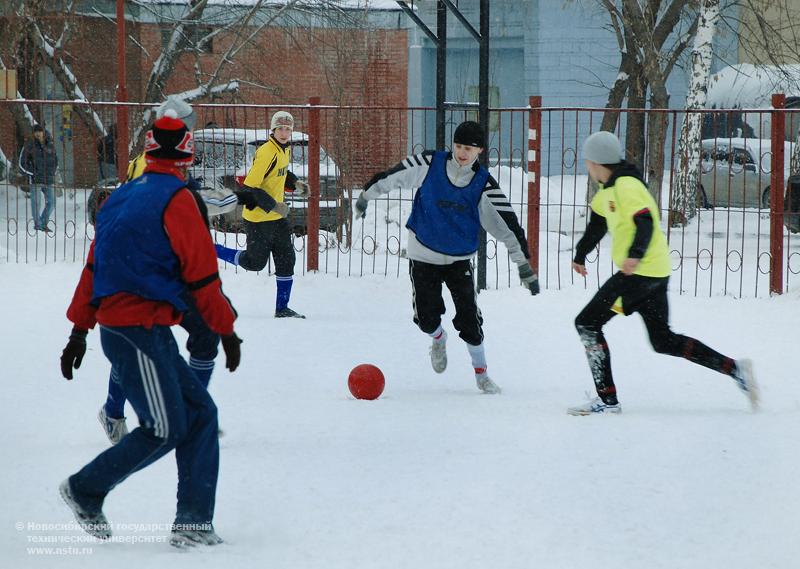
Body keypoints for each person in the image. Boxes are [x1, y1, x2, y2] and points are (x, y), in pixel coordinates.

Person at [58, 113, 242, 547]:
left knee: (200, 416)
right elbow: (202, 276)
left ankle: (193, 524)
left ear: (148, 151)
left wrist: (79, 331)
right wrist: (227, 332)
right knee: (164, 426)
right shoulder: (177, 199)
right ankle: (86, 488)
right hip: (136, 327)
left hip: (134, 328)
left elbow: (92, 266)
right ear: (186, 156)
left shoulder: (120, 197)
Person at [568, 130, 759, 415]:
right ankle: (736, 370)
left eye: (588, 162)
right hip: (654, 275)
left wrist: (633, 256)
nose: (587, 167)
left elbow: (644, 221)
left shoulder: (627, 186)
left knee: (587, 323)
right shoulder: (608, 192)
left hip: (638, 274)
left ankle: (607, 401)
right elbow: (597, 225)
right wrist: (581, 254)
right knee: (663, 341)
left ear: (596, 162)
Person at [354, 121, 539, 394]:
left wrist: (523, 265)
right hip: (423, 254)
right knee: (426, 318)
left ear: (480, 151)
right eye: (459, 146)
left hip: (458, 261)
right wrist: (367, 196)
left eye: (470, 148)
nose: (463, 153)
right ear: (453, 145)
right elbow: (394, 176)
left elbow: (507, 225)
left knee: (470, 320)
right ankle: (438, 339)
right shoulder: (430, 163)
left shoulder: (483, 184)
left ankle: (482, 375)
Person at [97, 97, 233, 443]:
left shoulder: (171, 158)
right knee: (141, 337)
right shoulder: (150, 164)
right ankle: (115, 409)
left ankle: (189, 408)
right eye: (190, 127)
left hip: (171, 271)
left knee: (200, 334)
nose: (192, 134)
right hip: (148, 273)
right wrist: (239, 199)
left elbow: (191, 204)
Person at [214, 110, 308, 318]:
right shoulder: (267, 151)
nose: (284, 133)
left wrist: (295, 183)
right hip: (259, 219)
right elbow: (251, 187)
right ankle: (213, 250)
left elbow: (279, 173)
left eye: (288, 129)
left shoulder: (284, 150)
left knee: (286, 260)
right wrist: (274, 205)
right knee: (255, 263)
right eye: (280, 129)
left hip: (277, 220)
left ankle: (282, 309)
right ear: (273, 130)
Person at [20, 124, 58, 232]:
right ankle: (38, 225)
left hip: (49, 178)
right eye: (36, 132)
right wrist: (33, 173)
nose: (38, 134)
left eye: (39, 131)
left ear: (43, 132)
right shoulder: (29, 145)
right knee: (36, 203)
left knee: (52, 202)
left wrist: (53, 172)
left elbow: (56, 160)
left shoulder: (50, 144)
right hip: (36, 179)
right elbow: (22, 163)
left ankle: (43, 223)